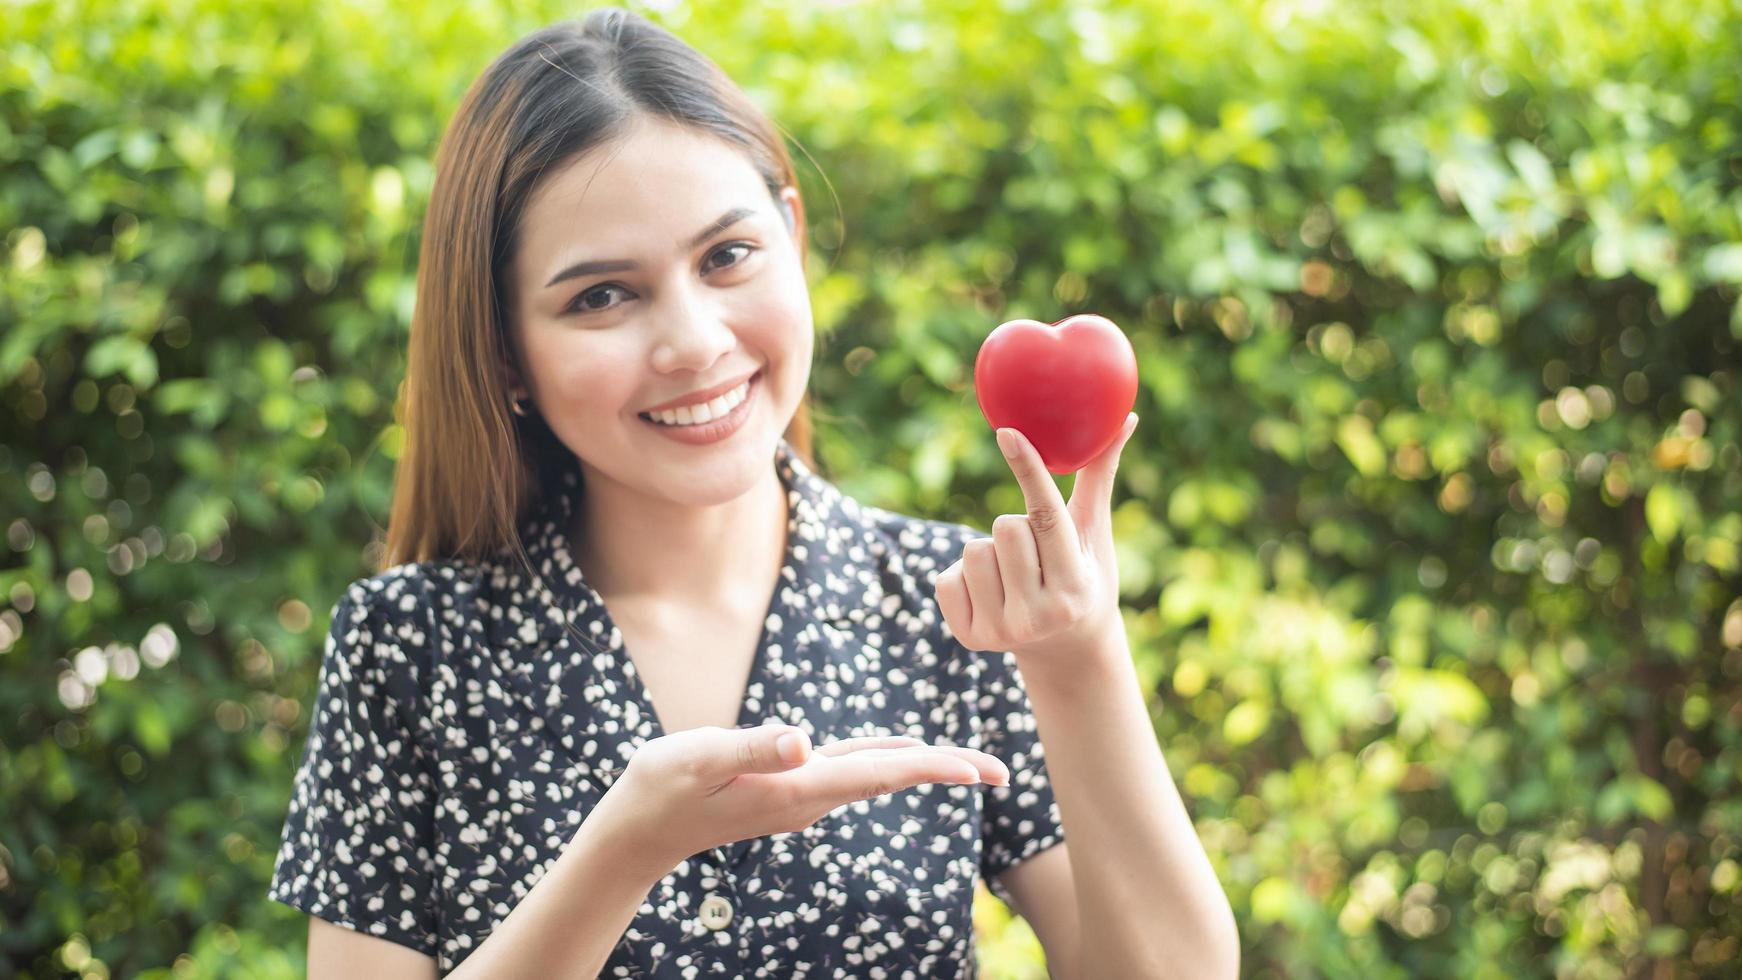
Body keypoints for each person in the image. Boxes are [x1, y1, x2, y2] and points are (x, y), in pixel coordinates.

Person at [268, 7, 1238, 978]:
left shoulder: (955, 604)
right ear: (503, 350)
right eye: (600, 295)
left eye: (726, 255)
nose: (692, 341)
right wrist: (624, 850)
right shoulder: (410, 646)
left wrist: (1078, 654)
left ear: (792, 232)